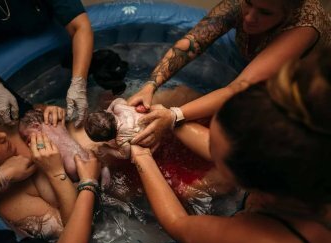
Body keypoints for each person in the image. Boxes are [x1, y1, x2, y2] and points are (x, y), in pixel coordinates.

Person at [129, 49, 331, 243]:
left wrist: (141, 155)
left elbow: (178, 223)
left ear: (247, 180)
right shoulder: (311, 154)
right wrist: (171, 119)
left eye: (214, 152)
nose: (209, 148)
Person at [128, 0, 331, 147]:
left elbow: (240, 87)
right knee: (177, 97)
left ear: (288, 13)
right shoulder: (241, 5)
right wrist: (150, 85)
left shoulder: (303, 28)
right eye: (248, 3)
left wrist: (174, 116)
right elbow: (192, 43)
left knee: (241, 142)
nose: (249, 17)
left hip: (303, 92)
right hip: (256, 76)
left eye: (265, 12)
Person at [84, 98, 151, 160]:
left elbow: (125, 155)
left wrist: (107, 150)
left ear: (107, 140)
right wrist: (109, 109)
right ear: (106, 111)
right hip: (150, 115)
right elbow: (120, 100)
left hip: (152, 136)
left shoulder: (121, 139)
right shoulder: (118, 107)